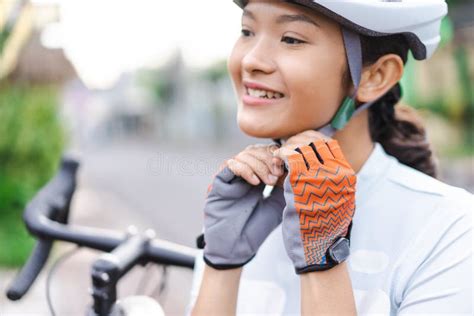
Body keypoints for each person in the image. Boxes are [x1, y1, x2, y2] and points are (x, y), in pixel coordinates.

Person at [188, 0, 473, 314]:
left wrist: (325, 257)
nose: (251, 60)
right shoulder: (239, 210)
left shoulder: (451, 229)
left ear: (376, 76)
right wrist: (221, 266)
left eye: (291, 39)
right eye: (247, 31)